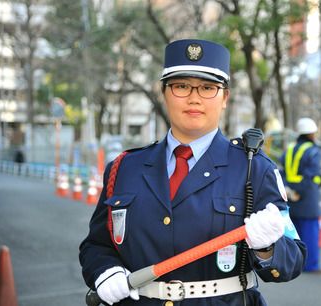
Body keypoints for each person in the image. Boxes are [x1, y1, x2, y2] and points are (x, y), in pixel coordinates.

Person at [79, 38, 306, 306]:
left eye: (208, 88)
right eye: (181, 86)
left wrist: (267, 248)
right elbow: (97, 245)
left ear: (225, 97)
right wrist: (105, 272)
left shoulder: (253, 168)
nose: (194, 98)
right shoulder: (124, 167)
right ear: (164, 92)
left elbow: (293, 258)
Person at [280, 117, 321, 273]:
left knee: (294, 232)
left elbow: (282, 171)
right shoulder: (313, 151)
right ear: (311, 133)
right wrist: (299, 191)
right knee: (310, 232)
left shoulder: (289, 149)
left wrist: (290, 190)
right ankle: (311, 265)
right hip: (307, 197)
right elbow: (311, 175)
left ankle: (294, 264)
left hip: (290, 196)